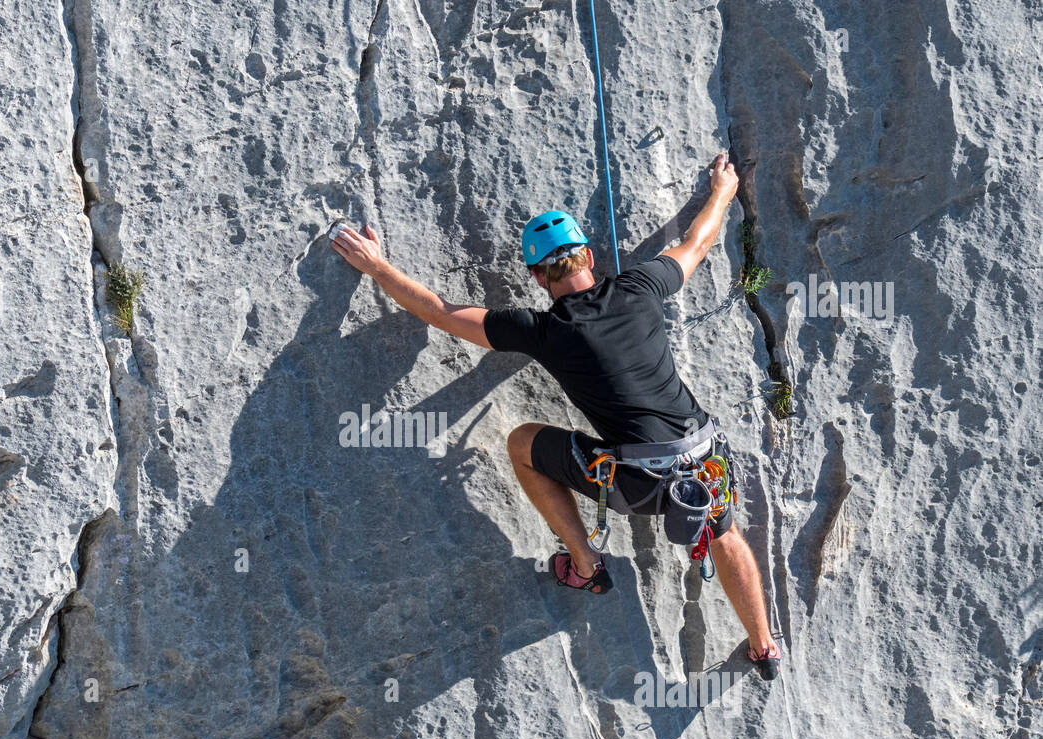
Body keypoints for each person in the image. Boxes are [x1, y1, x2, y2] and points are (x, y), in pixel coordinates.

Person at [330, 153, 780, 680]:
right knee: (724, 532)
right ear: (588, 255)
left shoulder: (543, 331)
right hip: (704, 461)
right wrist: (724, 189)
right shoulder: (641, 287)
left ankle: (586, 566)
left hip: (637, 482)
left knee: (522, 443)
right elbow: (697, 244)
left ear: (538, 277)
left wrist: (375, 265)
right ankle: (764, 647)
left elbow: (439, 311)